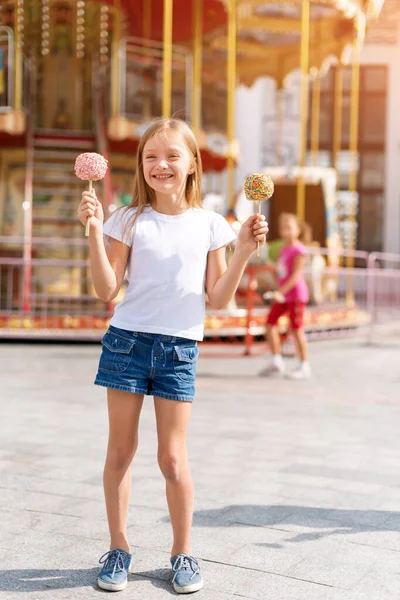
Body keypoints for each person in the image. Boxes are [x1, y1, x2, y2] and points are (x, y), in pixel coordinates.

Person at [77, 117, 268, 594]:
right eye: (150, 157)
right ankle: (118, 548)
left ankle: (183, 553)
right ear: (141, 166)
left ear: (192, 164)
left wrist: (243, 249)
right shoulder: (126, 217)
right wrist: (94, 232)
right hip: (126, 343)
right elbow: (106, 289)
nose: (160, 165)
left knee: (173, 459)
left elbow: (218, 297)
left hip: (180, 348)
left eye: (172, 156)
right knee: (120, 451)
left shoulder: (210, 225)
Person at [260, 212, 311, 380]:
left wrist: (279, 292)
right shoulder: (284, 248)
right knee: (270, 324)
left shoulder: (298, 250)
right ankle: (276, 359)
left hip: (295, 295)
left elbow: (296, 275)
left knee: (296, 329)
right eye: (283, 228)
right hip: (283, 295)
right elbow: (283, 272)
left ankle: (304, 365)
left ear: (298, 230)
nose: (286, 231)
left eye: (289, 228)